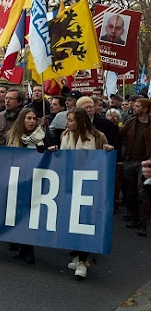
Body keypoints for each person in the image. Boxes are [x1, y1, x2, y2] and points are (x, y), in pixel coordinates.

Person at [50, 108, 113, 279]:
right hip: (69, 184)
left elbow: (106, 160)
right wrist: (55, 152)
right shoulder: (64, 136)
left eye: (70, 120)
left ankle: (82, 262)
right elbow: (63, 158)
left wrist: (108, 151)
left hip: (90, 186)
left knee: (85, 221)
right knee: (72, 221)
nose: (66, 123)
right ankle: (78, 256)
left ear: (80, 121)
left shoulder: (98, 137)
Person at [3, 108, 51, 264]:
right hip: (17, 181)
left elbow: (53, 154)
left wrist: (46, 151)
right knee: (18, 215)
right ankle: (23, 248)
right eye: (28, 118)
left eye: (34, 118)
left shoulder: (43, 136)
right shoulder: (11, 136)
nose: (31, 121)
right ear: (22, 120)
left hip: (34, 181)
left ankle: (29, 250)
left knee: (30, 217)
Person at [120, 98, 151, 237]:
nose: (134, 107)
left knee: (142, 192)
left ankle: (143, 224)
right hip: (129, 160)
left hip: (145, 162)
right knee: (130, 192)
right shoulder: (130, 121)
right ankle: (134, 218)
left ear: (145, 109)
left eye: (138, 106)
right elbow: (119, 135)